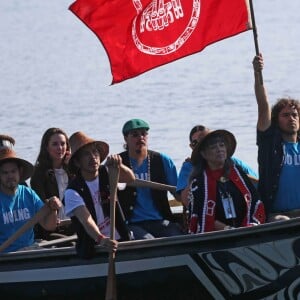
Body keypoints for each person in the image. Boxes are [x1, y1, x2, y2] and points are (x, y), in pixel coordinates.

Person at [64, 131, 135, 258]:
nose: (93, 157)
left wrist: (119, 166)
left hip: (120, 238)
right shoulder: (72, 191)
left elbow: (130, 179)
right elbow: (86, 220)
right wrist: (102, 240)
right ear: (77, 162)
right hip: (94, 245)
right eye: (86, 154)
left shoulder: (107, 172)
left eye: (95, 152)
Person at [188, 129, 265, 233]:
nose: (219, 149)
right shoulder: (199, 184)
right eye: (213, 147)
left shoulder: (238, 173)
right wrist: (229, 230)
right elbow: (201, 217)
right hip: (217, 237)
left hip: (247, 230)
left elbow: (255, 201)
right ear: (204, 154)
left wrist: (248, 226)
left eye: (222, 145)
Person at [117, 118, 184, 239]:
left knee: (179, 237)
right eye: (135, 135)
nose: (140, 138)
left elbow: (179, 195)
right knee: (147, 241)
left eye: (144, 134)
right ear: (125, 138)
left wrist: (191, 174)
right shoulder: (118, 163)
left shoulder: (162, 160)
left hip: (160, 220)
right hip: (131, 223)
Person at [253, 54, 300, 222]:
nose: (291, 118)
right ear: (276, 120)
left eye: (295, 115)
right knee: (283, 221)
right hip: (277, 216)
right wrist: (258, 73)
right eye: (285, 115)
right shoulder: (269, 144)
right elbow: (263, 105)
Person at [176, 125, 259, 207]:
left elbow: (258, 185)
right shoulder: (189, 167)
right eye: (196, 143)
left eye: (220, 145)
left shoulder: (234, 163)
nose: (219, 150)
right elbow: (186, 201)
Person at [0, 147, 61, 253]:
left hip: (30, 250)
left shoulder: (28, 193)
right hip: (6, 256)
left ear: (20, 172)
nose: (10, 176)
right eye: (5, 173)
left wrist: (53, 209)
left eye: (13, 171)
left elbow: (49, 226)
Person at [30, 128, 73, 239]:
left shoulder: (72, 171)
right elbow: (40, 206)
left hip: (74, 225)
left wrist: (73, 167)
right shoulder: (39, 175)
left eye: (63, 144)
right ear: (46, 147)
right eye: (55, 144)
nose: (60, 148)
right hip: (51, 229)